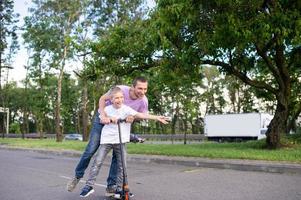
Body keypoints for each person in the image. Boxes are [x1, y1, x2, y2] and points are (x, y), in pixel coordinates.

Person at [79, 87, 169, 197]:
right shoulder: (107, 110)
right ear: (111, 99)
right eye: (116, 98)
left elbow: (141, 115)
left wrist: (156, 118)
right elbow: (102, 118)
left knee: (122, 166)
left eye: (121, 97)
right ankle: (89, 186)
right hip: (107, 140)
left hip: (120, 141)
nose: (120, 100)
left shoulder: (127, 109)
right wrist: (109, 118)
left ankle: (119, 188)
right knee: (97, 162)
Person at [67, 77, 149, 195]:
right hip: (102, 119)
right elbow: (102, 98)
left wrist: (133, 118)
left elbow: (142, 116)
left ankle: (111, 187)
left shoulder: (143, 101)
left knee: (118, 156)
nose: (142, 91)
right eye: (140, 88)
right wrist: (104, 115)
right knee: (91, 150)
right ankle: (77, 176)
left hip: (117, 125)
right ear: (132, 87)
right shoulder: (121, 89)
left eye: (145, 89)